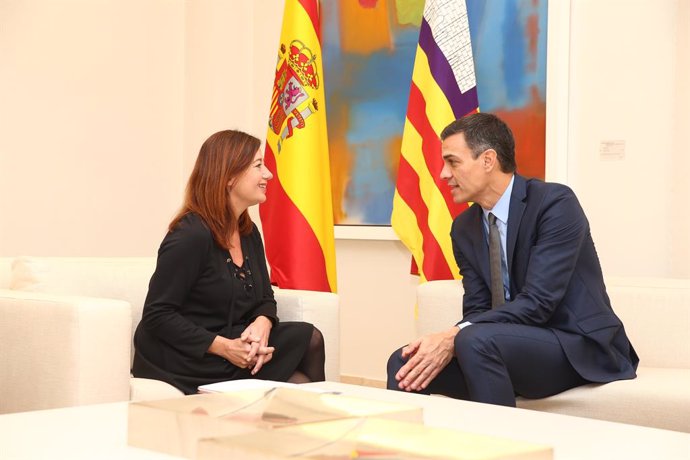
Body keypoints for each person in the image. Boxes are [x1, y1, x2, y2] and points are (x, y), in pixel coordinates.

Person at [387, 113, 638, 407]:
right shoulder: (464, 228)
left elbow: (538, 303)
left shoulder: (554, 204)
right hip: (504, 344)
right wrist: (454, 338)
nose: (443, 174)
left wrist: (455, 335)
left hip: (575, 344)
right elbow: (478, 308)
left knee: (473, 340)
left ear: (488, 160)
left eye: (452, 161)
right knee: (404, 361)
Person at [132, 130, 325, 394]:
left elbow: (265, 298)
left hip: (233, 342)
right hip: (186, 356)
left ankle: (307, 429)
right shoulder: (190, 235)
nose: (268, 174)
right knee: (302, 365)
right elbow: (157, 316)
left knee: (309, 340)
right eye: (258, 166)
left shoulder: (248, 231)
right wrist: (224, 347)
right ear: (230, 176)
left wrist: (262, 324)